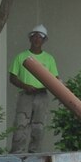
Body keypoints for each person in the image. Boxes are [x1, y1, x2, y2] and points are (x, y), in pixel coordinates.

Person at [8, 24, 57, 153]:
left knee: (39, 127)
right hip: (26, 94)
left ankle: (34, 154)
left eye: (40, 37)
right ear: (30, 39)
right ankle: (17, 155)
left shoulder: (49, 59)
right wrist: (25, 86)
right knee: (20, 125)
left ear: (44, 41)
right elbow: (12, 78)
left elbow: (55, 79)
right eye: (34, 37)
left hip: (42, 95)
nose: (37, 40)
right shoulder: (20, 57)